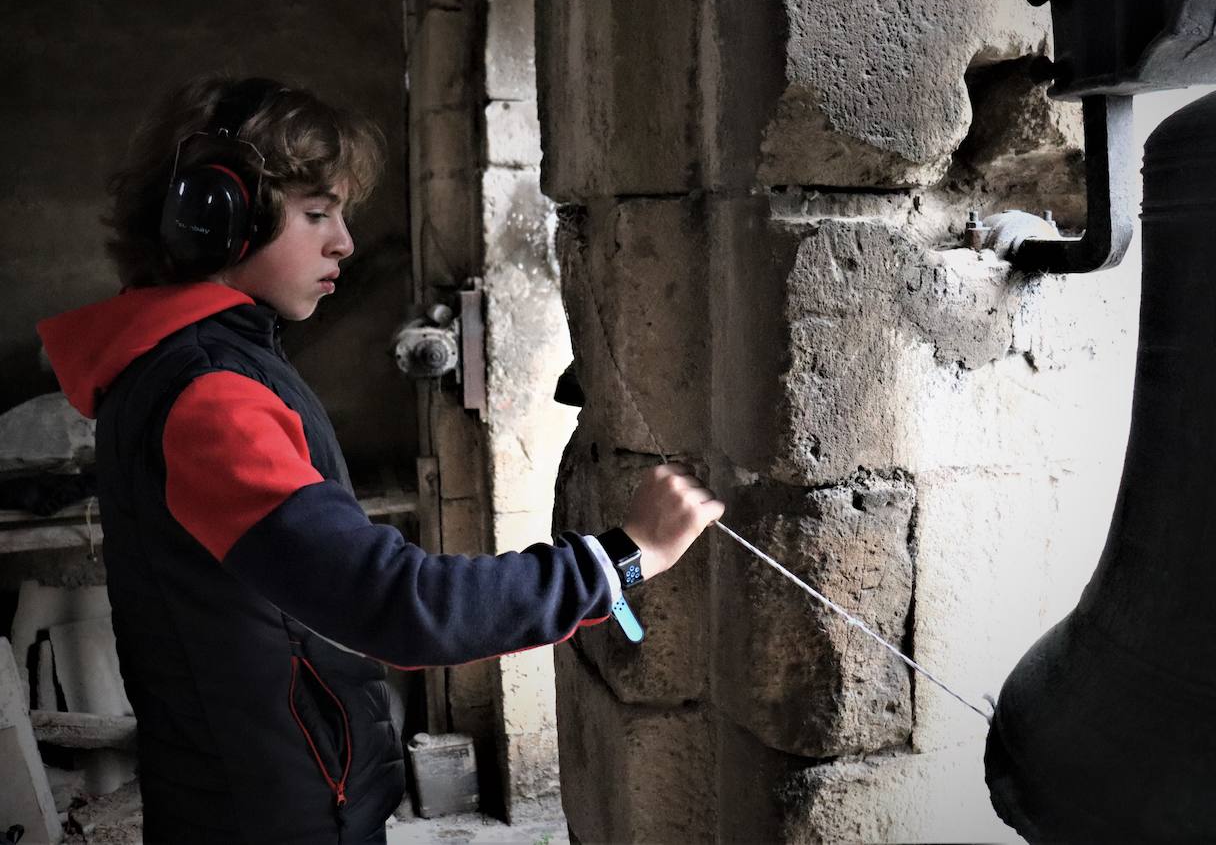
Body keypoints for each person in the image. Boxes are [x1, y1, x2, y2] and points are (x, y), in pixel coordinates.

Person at [36, 76, 723, 844]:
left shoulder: (188, 363)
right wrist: (624, 559)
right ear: (216, 217)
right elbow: (396, 606)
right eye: (316, 213)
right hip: (272, 812)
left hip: (254, 787)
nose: (345, 243)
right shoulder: (209, 397)